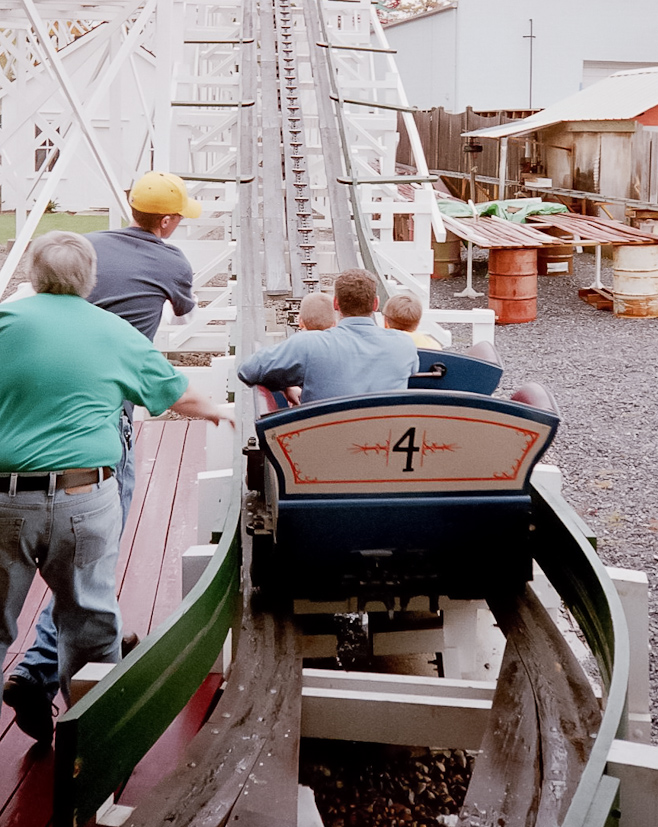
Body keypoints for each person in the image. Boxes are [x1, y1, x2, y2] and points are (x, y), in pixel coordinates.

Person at [0, 231, 234, 745]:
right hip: (85, 498)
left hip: (5, 499)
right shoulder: (114, 332)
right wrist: (223, 411)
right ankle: (92, 749)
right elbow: (179, 395)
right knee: (88, 621)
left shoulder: (5, 323)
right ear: (89, 279)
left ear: (33, 276)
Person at [238, 268, 419, 404]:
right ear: (375, 304)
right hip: (383, 443)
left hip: (324, 443)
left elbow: (248, 370)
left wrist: (284, 385)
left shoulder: (310, 343)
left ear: (335, 303)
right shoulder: (404, 345)